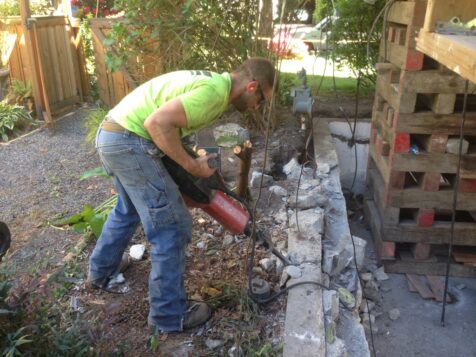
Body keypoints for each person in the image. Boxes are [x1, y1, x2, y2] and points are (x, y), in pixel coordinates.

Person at [87, 57, 275, 333]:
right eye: (261, 99)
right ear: (252, 86)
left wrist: (188, 171)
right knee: (172, 226)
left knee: (128, 209)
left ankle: (102, 270)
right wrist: (191, 166)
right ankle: (168, 315)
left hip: (112, 134)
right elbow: (157, 123)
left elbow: (168, 129)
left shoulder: (213, 81)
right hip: (130, 141)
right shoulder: (214, 94)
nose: (257, 106)